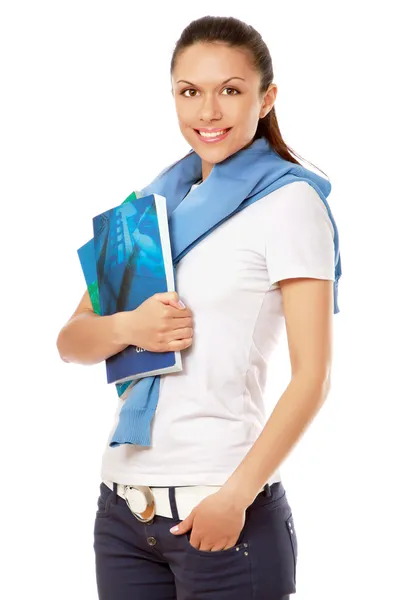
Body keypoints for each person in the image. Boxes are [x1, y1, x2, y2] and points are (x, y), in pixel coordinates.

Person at [57, 15, 337, 600]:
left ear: (266, 99)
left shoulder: (289, 204)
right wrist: (130, 326)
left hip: (221, 512)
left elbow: (313, 377)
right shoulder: (148, 207)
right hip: (123, 511)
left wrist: (234, 498)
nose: (208, 111)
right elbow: (72, 341)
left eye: (230, 90)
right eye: (190, 92)